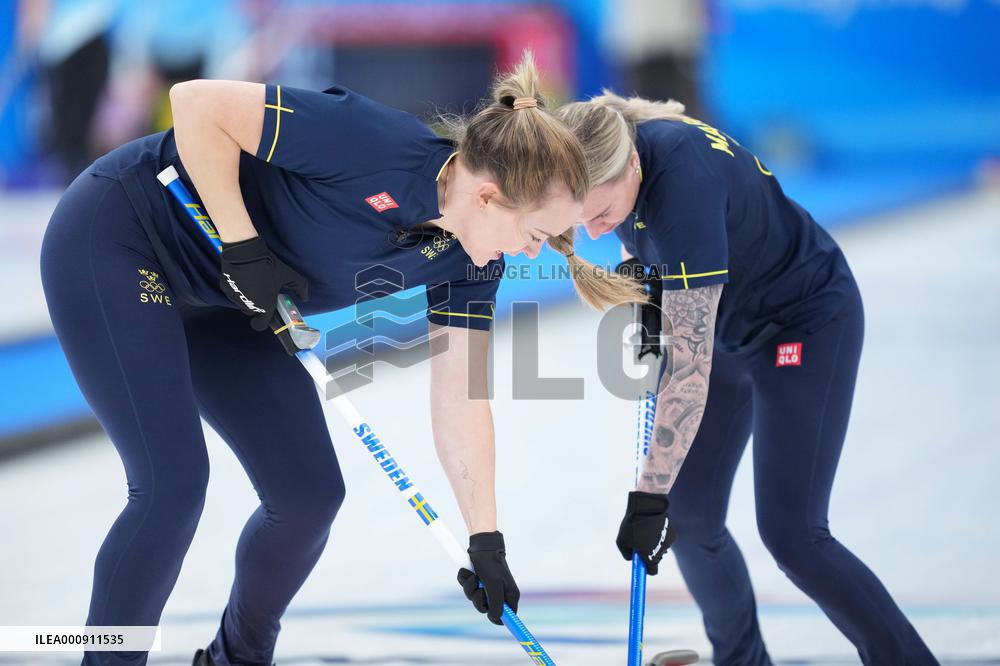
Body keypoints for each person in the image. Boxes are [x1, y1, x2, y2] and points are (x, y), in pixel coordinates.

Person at [39, 52, 614, 666]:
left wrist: (485, 538)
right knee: (171, 487)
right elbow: (196, 103)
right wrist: (243, 247)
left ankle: (237, 657)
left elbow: (461, 395)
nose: (532, 255)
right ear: (488, 197)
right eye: (534, 235)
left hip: (230, 302)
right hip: (123, 239)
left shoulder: (472, 263)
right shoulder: (372, 143)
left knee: (307, 496)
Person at [556, 93, 939, 665]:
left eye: (601, 214)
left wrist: (647, 496)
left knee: (794, 535)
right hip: (727, 327)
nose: (591, 232)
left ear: (631, 165)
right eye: (580, 217)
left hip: (802, 323)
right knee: (689, 515)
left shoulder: (681, 184)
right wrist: (652, 281)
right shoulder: (621, 153)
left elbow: (687, 371)